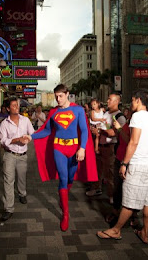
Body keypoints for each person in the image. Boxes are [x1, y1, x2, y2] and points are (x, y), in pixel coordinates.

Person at [29, 84, 98, 231]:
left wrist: (82, 148)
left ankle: (63, 196)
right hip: (58, 148)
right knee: (63, 178)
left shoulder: (78, 110)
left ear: (67, 94)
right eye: (56, 96)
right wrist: (30, 136)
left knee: (70, 178)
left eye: (60, 96)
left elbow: (84, 130)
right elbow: (46, 131)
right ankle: (65, 214)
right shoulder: (53, 112)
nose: (58, 99)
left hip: (74, 148)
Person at [96, 89, 148, 243]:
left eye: (132, 100)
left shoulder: (137, 116)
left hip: (137, 164)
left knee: (129, 202)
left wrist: (124, 163)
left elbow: (133, 142)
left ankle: (116, 230)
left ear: (138, 100)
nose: (131, 104)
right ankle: (145, 232)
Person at [86, 93, 126, 206]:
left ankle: (112, 196)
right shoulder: (106, 113)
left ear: (117, 101)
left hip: (110, 148)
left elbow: (114, 133)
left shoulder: (120, 117)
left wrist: (99, 131)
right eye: (108, 99)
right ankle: (96, 188)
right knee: (97, 170)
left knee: (110, 174)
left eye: (110, 99)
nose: (107, 101)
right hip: (100, 146)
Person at [0, 98, 35, 221]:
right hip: (9, 155)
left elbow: (32, 133)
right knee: (8, 180)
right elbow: (3, 141)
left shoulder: (25, 120)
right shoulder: (4, 123)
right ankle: (9, 208)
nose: (17, 107)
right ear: (8, 108)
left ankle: (22, 193)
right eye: (14, 105)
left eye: (17, 105)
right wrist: (16, 140)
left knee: (21, 177)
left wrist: (27, 138)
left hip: (23, 155)